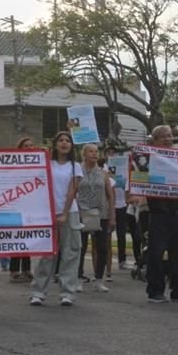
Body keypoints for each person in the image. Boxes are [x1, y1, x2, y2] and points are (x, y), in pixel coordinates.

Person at [29, 131, 82, 307]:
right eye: (61, 140)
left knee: (70, 253)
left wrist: (64, 212)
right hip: (47, 213)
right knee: (46, 254)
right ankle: (38, 292)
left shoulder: (75, 166)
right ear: (55, 144)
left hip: (69, 212)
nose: (64, 143)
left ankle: (67, 292)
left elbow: (72, 190)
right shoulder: (47, 164)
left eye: (68, 141)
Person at [145, 125, 178, 303]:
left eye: (170, 136)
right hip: (159, 213)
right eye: (163, 136)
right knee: (156, 254)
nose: (167, 139)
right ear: (156, 140)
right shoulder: (150, 159)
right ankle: (155, 290)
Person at [76, 144, 115, 292]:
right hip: (82, 212)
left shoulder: (104, 173)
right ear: (84, 155)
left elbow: (110, 196)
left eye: (96, 151)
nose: (94, 154)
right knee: (81, 246)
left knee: (102, 247)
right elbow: (73, 190)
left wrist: (112, 216)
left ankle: (99, 279)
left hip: (101, 213)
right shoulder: (77, 170)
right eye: (90, 151)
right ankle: (78, 278)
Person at [9, 137, 35, 282]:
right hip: (17, 205)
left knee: (27, 238)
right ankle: (13, 270)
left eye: (31, 145)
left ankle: (26, 269)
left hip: (31, 206)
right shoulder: (15, 164)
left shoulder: (38, 164)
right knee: (16, 237)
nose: (30, 148)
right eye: (26, 146)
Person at [104, 147, 130, 271]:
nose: (111, 155)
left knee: (121, 234)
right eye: (109, 153)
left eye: (113, 153)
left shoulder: (124, 168)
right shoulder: (103, 169)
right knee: (107, 235)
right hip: (109, 206)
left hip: (122, 204)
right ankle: (105, 261)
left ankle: (122, 260)